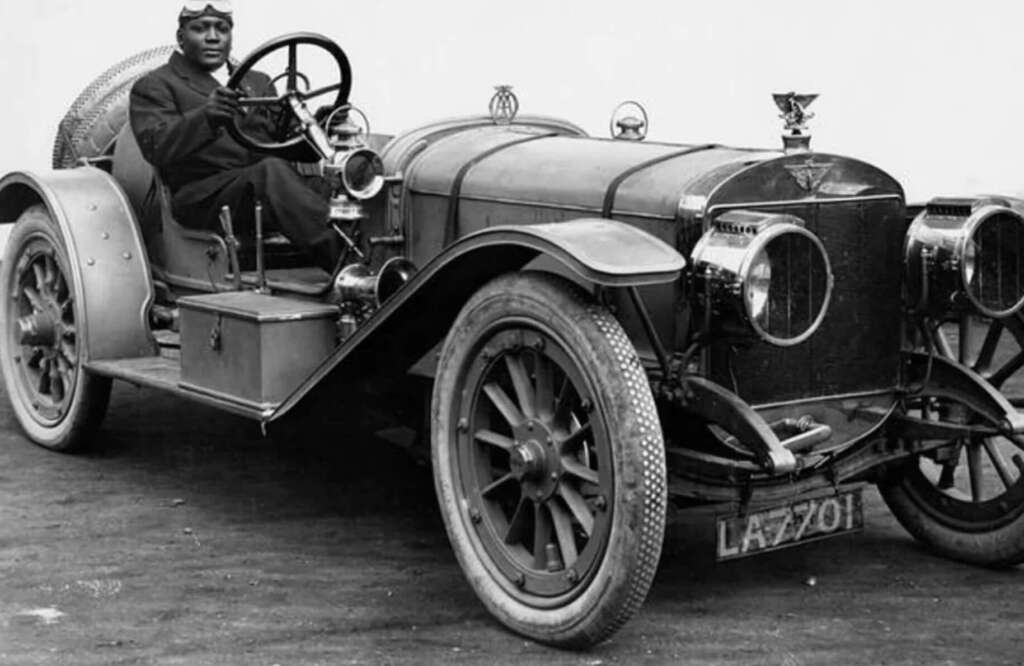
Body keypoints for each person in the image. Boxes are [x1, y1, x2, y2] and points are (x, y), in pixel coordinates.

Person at [129, 0, 342, 272]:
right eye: (200, 28)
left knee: (342, 184)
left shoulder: (258, 81)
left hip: (263, 190)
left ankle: (382, 258)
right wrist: (206, 116)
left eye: (222, 28)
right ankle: (348, 263)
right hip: (203, 198)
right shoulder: (156, 85)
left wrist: (318, 127)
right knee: (270, 171)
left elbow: (286, 146)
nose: (213, 37)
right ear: (181, 38)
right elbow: (156, 147)